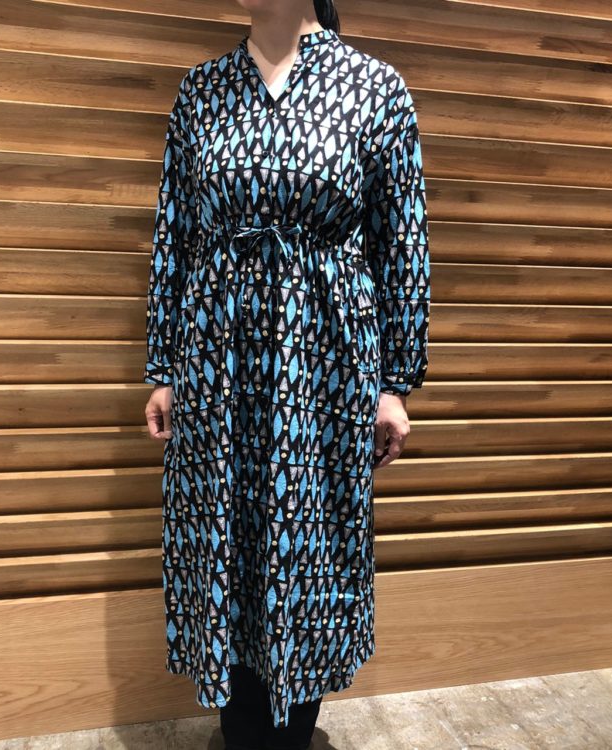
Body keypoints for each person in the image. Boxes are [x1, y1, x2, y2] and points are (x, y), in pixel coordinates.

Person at [143, 0, 430, 747]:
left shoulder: (373, 87)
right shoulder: (202, 90)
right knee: (224, 535)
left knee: (310, 545)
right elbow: (175, 233)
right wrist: (164, 366)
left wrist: (393, 383)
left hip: (325, 359)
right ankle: (241, 730)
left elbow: (401, 242)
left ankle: (292, 733)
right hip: (217, 358)